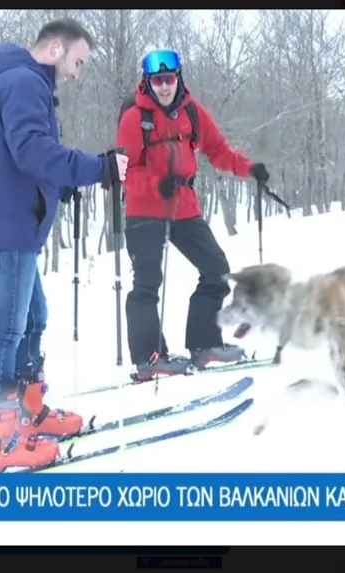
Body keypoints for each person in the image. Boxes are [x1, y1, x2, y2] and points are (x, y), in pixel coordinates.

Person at [0, 18, 129, 473]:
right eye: (77, 61)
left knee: (33, 319)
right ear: (55, 48)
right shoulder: (23, 83)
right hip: (4, 228)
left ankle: (28, 415)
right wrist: (97, 168)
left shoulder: (20, 83)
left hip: (12, 226)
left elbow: (24, 157)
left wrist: (60, 184)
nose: (77, 73)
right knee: (5, 331)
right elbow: (31, 150)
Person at [116, 48, 270, 381]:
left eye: (169, 79)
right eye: (157, 80)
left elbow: (217, 150)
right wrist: (159, 185)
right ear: (149, 82)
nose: (164, 86)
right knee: (146, 283)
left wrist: (249, 168)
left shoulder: (192, 112)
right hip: (145, 209)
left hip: (184, 205)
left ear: (178, 78)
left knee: (216, 270)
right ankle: (149, 358)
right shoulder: (134, 118)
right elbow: (125, 170)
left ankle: (203, 346)